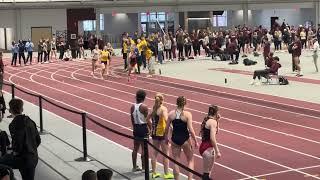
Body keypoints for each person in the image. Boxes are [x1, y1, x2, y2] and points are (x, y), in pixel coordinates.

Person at [0, 98, 41, 180]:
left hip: (23, 159)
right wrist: (30, 149)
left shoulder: (13, 125)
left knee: (2, 163)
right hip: (33, 157)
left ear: (10, 110)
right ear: (22, 109)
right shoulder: (31, 121)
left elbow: (17, 146)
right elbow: (38, 140)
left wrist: (13, 152)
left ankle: (8, 176)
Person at [164, 96, 198, 180]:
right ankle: (189, 179)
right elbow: (191, 129)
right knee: (190, 160)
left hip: (174, 139)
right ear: (185, 103)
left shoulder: (171, 114)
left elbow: (167, 127)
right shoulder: (187, 114)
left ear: (177, 103)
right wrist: (196, 141)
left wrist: (166, 138)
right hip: (185, 139)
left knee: (176, 160)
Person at [146, 93, 174, 179]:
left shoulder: (153, 108)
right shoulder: (163, 109)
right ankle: (166, 173)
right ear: (162, 100)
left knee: (154, 153)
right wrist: (172, 128)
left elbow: (147, 119)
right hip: (162, 134)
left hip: (154, 134)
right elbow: (166, 119)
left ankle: (154, 173)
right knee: (166, 154)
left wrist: (151, 128)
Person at [199, 105, 221, 180]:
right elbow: (212, 138)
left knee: (207, 173)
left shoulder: (207, 119)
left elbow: (216, 131)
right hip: (208, 148)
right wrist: (217, 150)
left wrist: (217, 120)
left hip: (204, 146)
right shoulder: (213, 122)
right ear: (216, 112)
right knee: (206, 173)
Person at [130, 90, 150, 172]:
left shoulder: (132, 107)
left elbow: (132, 119)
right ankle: (144, 168)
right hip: (143, 128)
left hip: (136, 128)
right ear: (144, 98)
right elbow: (147, 119)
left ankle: (134, 167)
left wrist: (134, 127)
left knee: (135, 148)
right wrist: (151, 129)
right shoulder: (144, 107)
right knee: (144, 148)